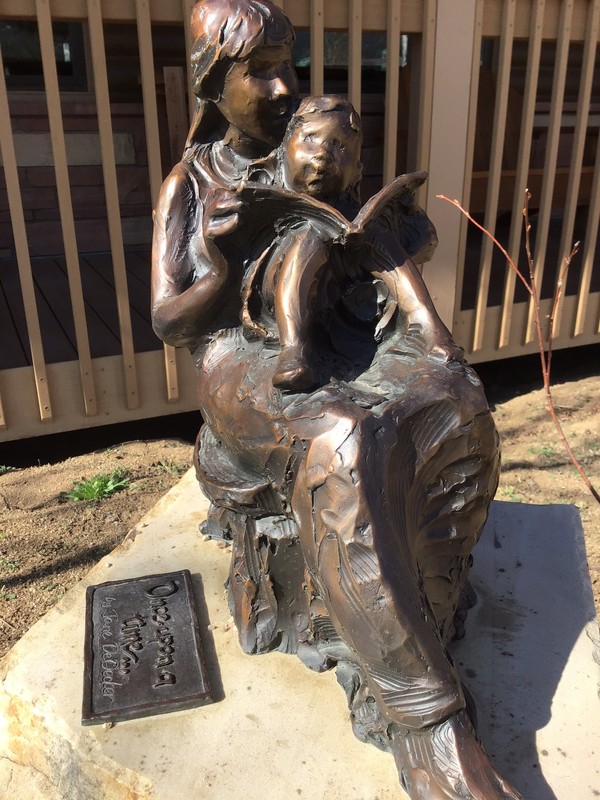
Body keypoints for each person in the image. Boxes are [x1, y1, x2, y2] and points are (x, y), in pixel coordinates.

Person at [151, 1, 521, 797]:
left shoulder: (306, 145)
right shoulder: (194, 179)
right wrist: (217, 265)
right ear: (214, 83)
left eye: (291, 65)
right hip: (238, 361)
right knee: (344, 442)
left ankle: (422, 609)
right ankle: (428, 724)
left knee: (453, 397)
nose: (286, 86)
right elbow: (168, 319)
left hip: (341, 331)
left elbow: (394, 237)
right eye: (262, 72)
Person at [237, 93, 462, 391]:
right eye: (310, 139)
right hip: (281, 278)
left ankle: (429, 327)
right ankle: (294, 348)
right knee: (311, 234)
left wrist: (406, 213)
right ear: (282, 153)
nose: (322, 154)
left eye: (339, 146)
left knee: (376, 237)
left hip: (344, 296)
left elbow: (425, 244)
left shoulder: (350, 211)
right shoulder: (266, 191)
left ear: (357, 170)